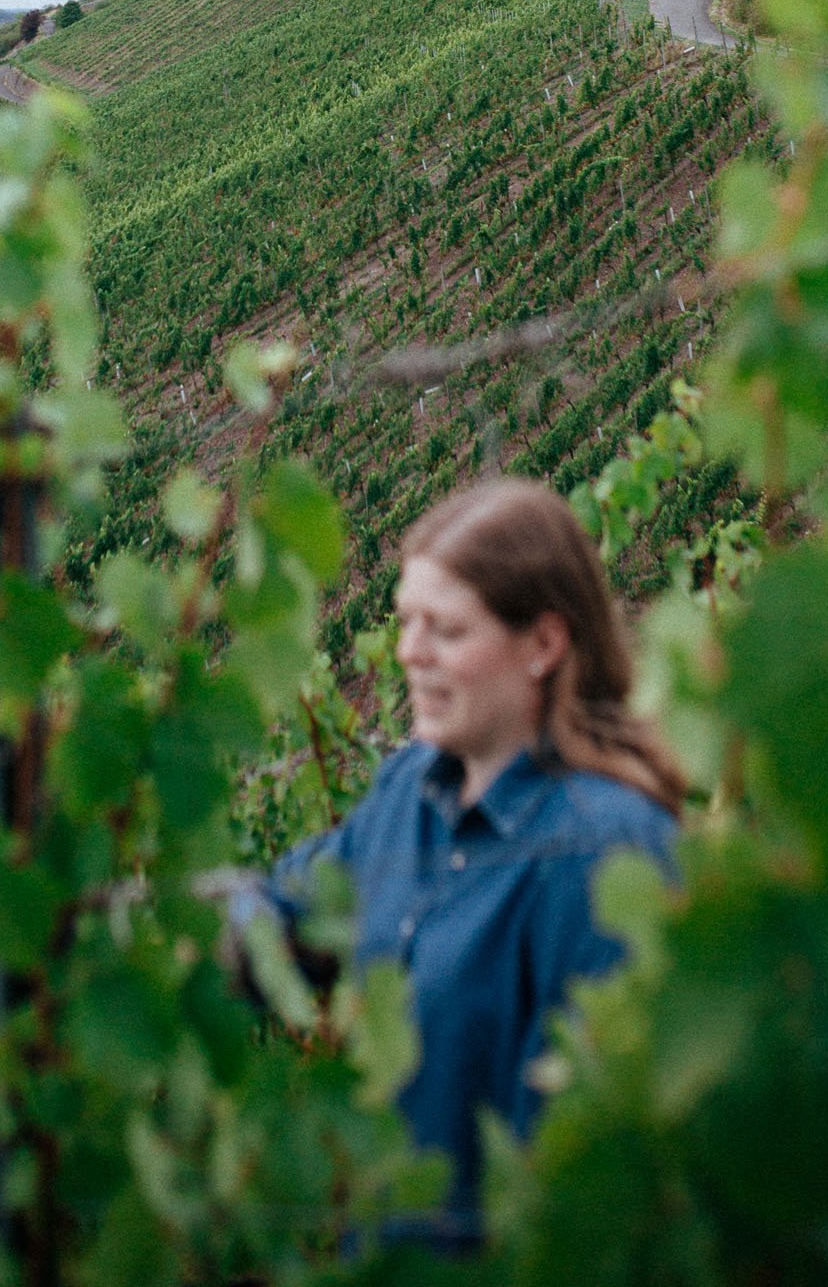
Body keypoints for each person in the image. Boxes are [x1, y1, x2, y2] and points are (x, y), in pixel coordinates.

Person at [263, 478, 682, 1243]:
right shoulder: (408, 791)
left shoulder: (600, 853)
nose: (407, 653)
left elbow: (575, 1172)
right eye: (404, 622)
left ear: (544, 646)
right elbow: (297, 898)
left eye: (445, 630)